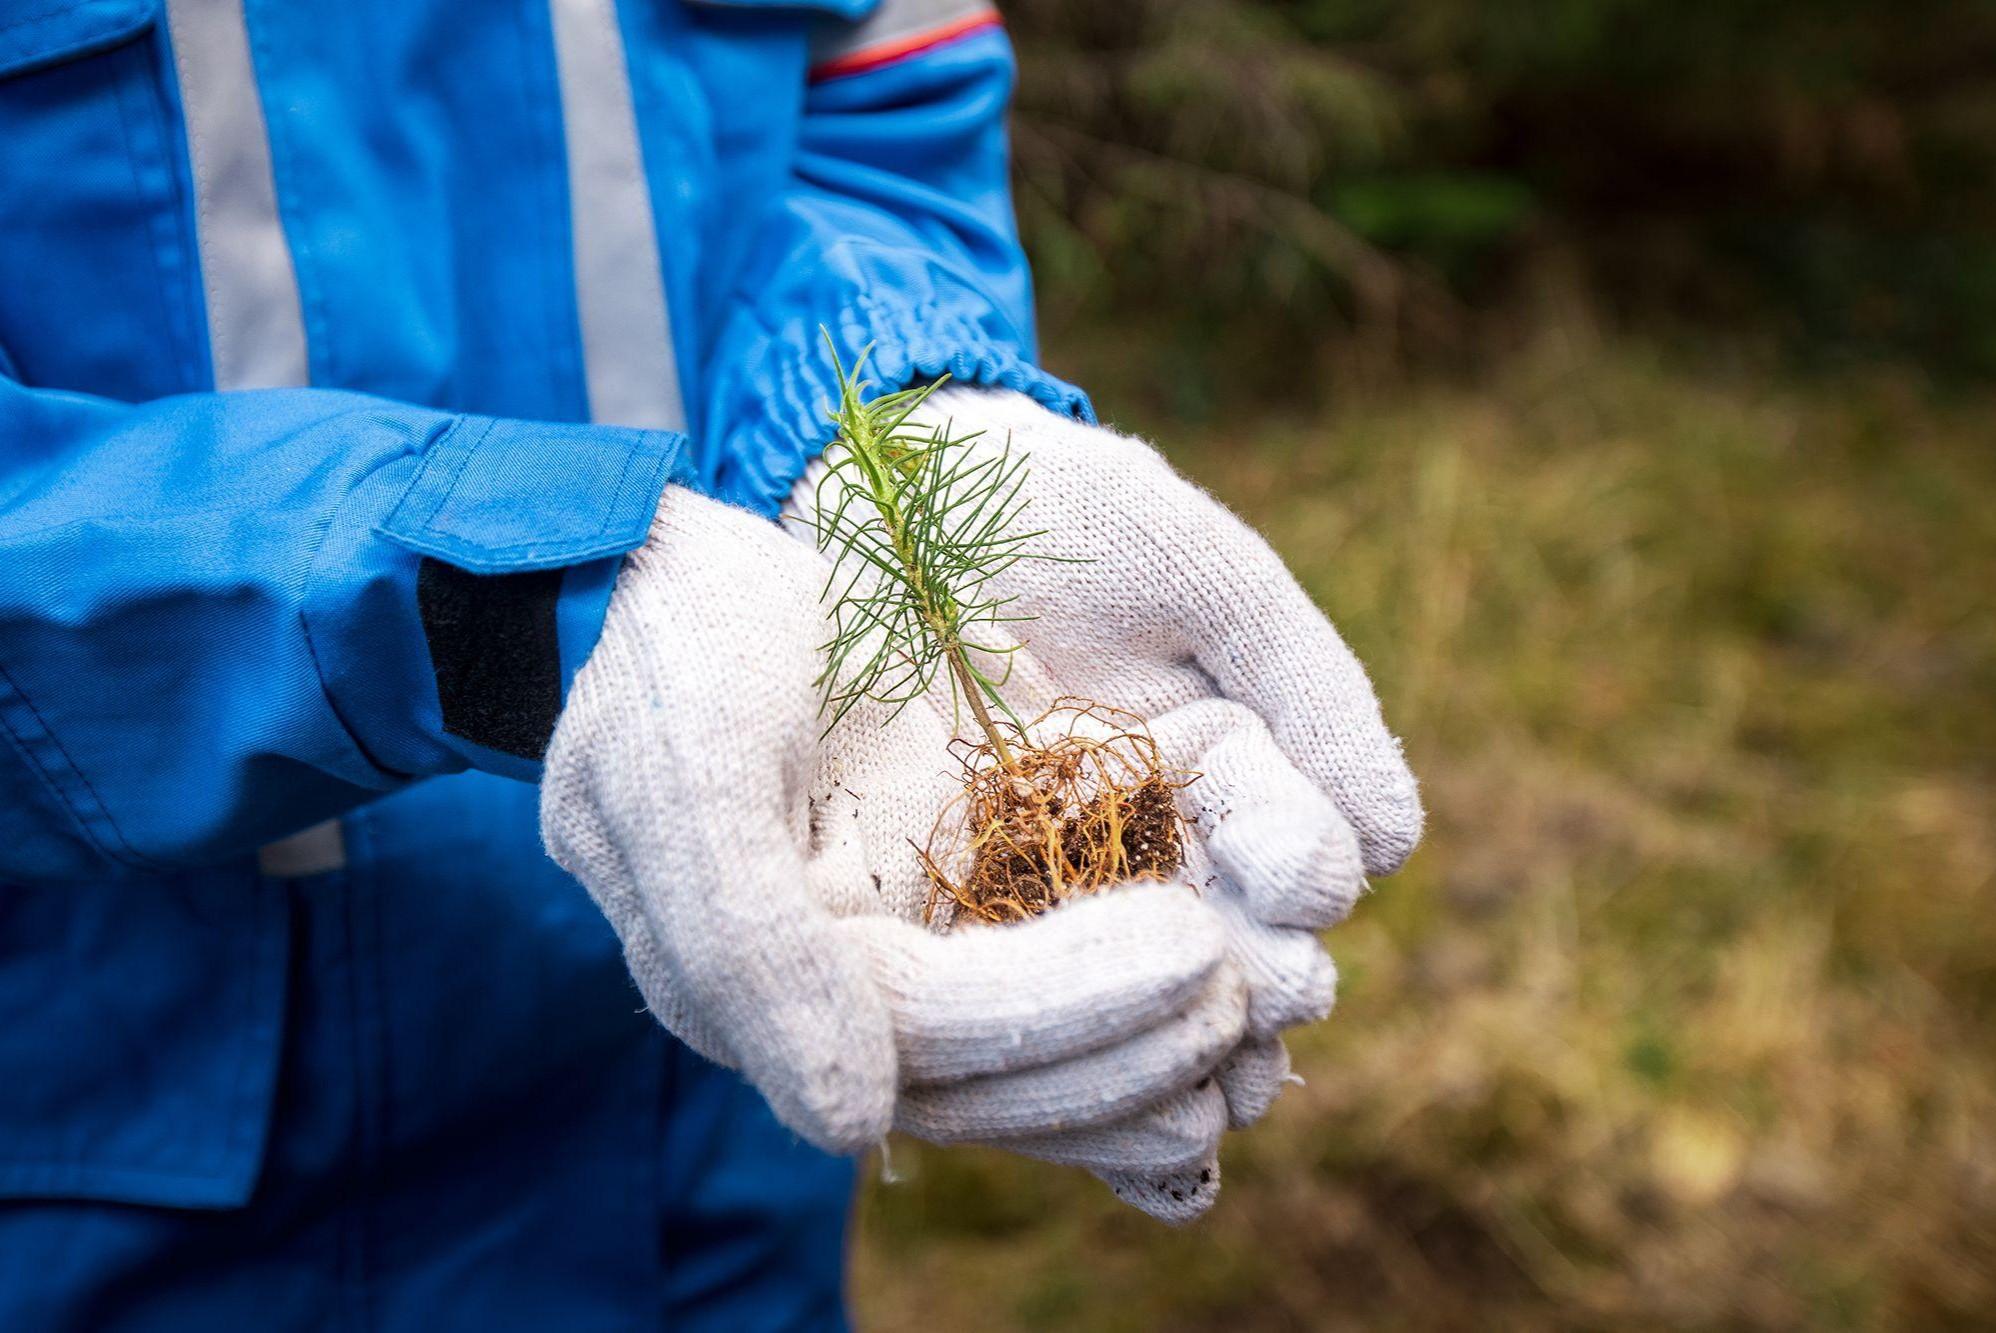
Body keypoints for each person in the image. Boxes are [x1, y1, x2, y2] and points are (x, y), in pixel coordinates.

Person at [0, 0, 1421, 1325]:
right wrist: (511, 603)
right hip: (144, 1161)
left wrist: (886, 403)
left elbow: (876, 97)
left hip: (739, 1077)